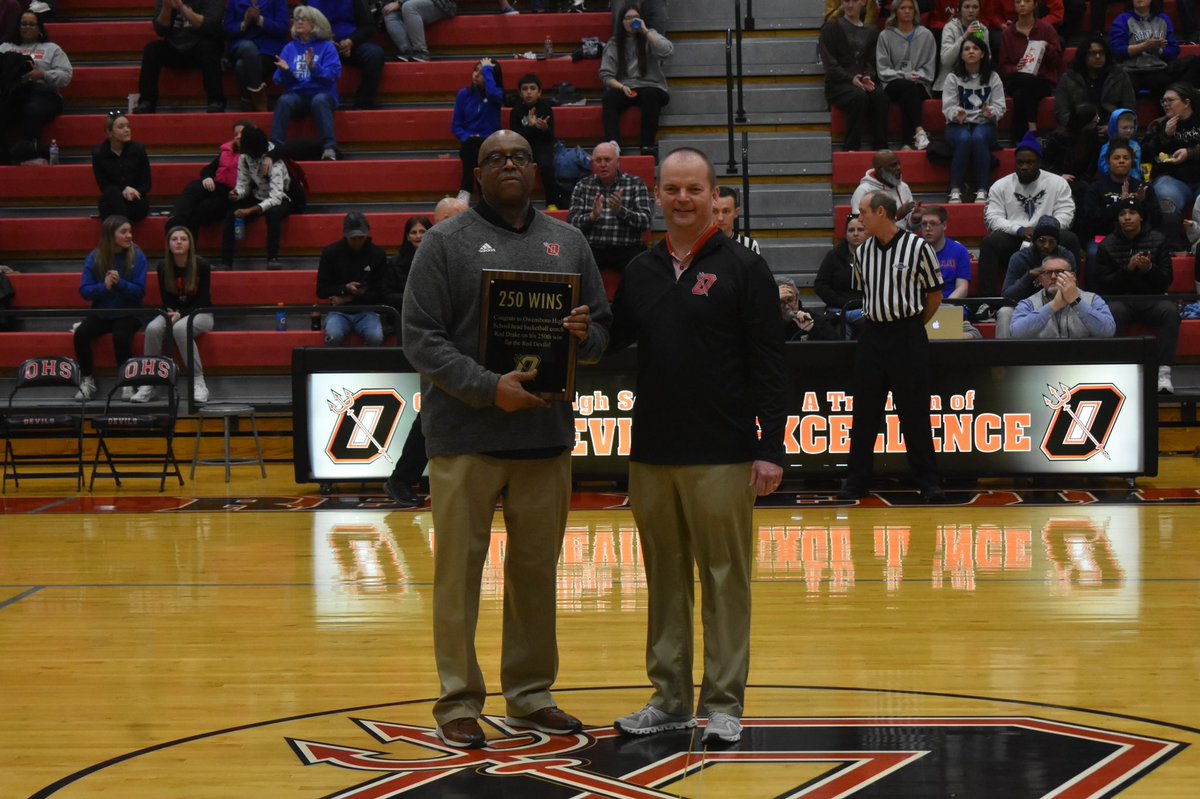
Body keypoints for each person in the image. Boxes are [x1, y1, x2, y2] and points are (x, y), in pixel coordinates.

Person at [401, 129, 610, 749]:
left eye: (520, 156)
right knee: (458, 575)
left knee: (536, 574)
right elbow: (421, 338)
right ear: (477, 173)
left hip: (544, 436)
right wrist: (490, 387)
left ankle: (530, 694)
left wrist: (584, 337)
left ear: (535, 169)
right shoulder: (444, 242)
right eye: (496, 159)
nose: (510, 165)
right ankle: (458, 700)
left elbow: (600, 329)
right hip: (466, 435)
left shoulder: (568, 240)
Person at [608, 147, 785, 746]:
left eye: (694, 189)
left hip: (724, 453)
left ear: (714, 197)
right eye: (672, 189)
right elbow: (608, 341)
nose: (683, 199)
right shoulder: (640, 271)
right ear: (656, 195)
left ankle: (725, 702)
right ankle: (670, 699)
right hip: (652, 453)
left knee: (725, 580)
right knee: (664, 581)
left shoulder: (744, 268)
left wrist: (771, 448)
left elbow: (769, 363)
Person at [838, 191, 946, 503]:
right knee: (865, 412)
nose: (859, 220)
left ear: (881, 212)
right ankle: (857, 481)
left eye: (863, 213)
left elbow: (934, 295)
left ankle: (928, 482)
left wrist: (911, 326)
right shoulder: (862, 252)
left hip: (907, 334)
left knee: (914, 412)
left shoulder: (918, 247)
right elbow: (865, 294)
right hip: (872, 336)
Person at [1092, 198, 1179, 393]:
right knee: (1113, 312)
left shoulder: (1158, 239)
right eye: (1122, 214)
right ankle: (1125, 372)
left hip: (1152, 299)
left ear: (1141, 216)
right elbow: (1104, 285)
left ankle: (1163, 374)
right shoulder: (1107, 245)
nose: (1127, 217)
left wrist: (1149, 268)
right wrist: (1128, 269)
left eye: (1132, 213)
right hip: (1122, 299)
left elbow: (1166, 280)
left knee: (1170, 311)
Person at [979, 132, 1077, 296]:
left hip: (1048, 236)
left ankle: (1072, 292)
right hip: (1015, 236)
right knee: (990, 242)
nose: (1024, 166)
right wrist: (1019, 229)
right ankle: (986, 301)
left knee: (1070, 239)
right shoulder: (1000, 185)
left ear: (1039, 162)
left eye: (1030, 162)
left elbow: (1067, 214)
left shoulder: (1057, 182)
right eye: (1020, 162)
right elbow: (992, 218)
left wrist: (1044, 229)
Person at [380, 214, 432, 507]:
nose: (418, 235)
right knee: (432, 413)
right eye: (414, 231)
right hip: (435, 345)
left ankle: (401, 479)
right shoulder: (404, 264)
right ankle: (401, 479)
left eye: (422, 230)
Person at [135, 226, 214, 403]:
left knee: (180, 329)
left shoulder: (202, 265)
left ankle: (198, 382)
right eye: (174, 239)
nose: (178, 242)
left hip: (202, 314)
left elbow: (202, 301)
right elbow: (167, 300)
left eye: (183, 239)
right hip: (174, 313)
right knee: (153, 328)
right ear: (168, 244)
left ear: (190, 244)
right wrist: (173, 312)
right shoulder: (163, 267)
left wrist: (181, 314)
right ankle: (149, 382)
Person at [73, 215, 148, 401]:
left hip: (130, 312)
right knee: (81, 334)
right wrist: (104, 286)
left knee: (121, 335)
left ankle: (127, 381)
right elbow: (84, 291)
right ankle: (88, 379)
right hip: (103, 312)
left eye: (130, 231)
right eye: (123, 232)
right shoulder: (95, 257)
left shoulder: (137, 255)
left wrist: (120, 283)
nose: (129, 235)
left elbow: (139, 292)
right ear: (110, 235)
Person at [566, 140, 652, 294]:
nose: (602, 164)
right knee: (572, 266)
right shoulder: (582, 186)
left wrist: (620, 211)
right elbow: (571, 223)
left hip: (627, 248)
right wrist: (592, 216)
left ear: (618, 162)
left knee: (642, 272)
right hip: (593, 248)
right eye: (598, 160)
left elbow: (645, 222)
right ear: (593, 163)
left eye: (607, 160)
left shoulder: (635, 184)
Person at [599, 1, 674, 156]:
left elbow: (667, 51)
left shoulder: (650, 36)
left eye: (636, 17)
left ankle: (647, 145)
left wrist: (645, 31)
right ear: (621, 22)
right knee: (609, 98)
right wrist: (621, 87)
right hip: (625, 87)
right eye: (628, 18)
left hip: (651, 86)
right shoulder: (614, 43)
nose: (632, 21)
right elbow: (606, 75)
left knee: (650, 95)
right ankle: (614, 146)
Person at [220, 125, 297, 270]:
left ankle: (272, 258)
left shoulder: (275, 164)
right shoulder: (245, 156)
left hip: (282, 197)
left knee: (273, 213)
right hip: (259, 194)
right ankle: (226, 263)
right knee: (231, 215)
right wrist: (237, 193)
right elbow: (243, 184)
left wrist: (250, 210)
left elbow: (276, 198)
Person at [272, 4, 342, 161]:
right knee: (284, 100)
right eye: (296, 18)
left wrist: (313, 68)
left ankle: (329, 148)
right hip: (297, 95)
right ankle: (275, 147)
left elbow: (333, 76)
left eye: (304, 19)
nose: (299, 22)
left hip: (322, 94)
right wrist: (286, 72)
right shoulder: (289, 48)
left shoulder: (327, 47)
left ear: (315, 24)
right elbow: (277, 80)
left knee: (319, 100)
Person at [942, 35, 1005, 204]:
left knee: (978, 138)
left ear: (983, 54)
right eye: (967, 49)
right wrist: (956, 114)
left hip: (985, 124)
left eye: (975, 49)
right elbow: (947, 107)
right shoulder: (953, 77)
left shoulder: (993, 77)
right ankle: (955, 189)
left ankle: (983, 189)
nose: (971, 52)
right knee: (964, 139)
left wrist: (990, 112)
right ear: (961, 55)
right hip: (958, 125)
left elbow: (1000, 106)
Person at [0, 11, 71, 161]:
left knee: (31, 109)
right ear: (18, 27)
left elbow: (66, 76)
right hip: (12, 93)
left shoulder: (52, 49)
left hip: (44, 94)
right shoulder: (5, 47)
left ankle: (29, 152)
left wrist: (43, 74)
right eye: (23, 24)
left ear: (39, 28)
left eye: (32, 24)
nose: (27, 27)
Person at [133, 0, 226, 114]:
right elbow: (160, 30)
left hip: (200, 45)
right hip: (175, 46)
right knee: (151, 50)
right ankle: (147, 101)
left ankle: (216, 100)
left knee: (210, 48)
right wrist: (166, 8)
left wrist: (182, 8)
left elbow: (210, 26)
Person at [166, 119, 252, 240]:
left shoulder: (254, 156)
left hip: (231, 196)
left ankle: (190, 248)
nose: (238, 137)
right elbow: (209, 169)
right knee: (194, 187)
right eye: (235, 134)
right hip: (216, 187)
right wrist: (207, 177)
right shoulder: (228, 151)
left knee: (200, 208)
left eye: (241, 134)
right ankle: (175, 220)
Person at [820, 0, 888, 152]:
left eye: (854, 1)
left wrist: (867, 77)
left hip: (860, 81)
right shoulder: (831, 28)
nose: (850, 5)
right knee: (858, 97)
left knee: (880, 96)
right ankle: (851, 147)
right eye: (846, 1)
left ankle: (881, 148)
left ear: (863, 3)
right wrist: (850, 79)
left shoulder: (871, 31)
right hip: (837, 85)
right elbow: (830, 65)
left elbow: (870, 62)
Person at [1083, 141, 1169, 256]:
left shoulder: (1143, 188)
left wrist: (1141, 203)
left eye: (1126, 158)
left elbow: (1157, 220)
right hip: (1104, 237)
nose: (1121, 161)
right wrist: (1121, 204)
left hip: (1139, 239)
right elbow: (1091, 220)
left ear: (1132, 162)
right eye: (1116, 158)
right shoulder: (1095, 188)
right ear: (1108, 162)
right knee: (1094, 252)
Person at [317, 211, 386, 346]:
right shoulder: (330, 253)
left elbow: (381, 292)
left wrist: (348, 298)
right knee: (333, 335)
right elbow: (321, 290)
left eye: (361, 237)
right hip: (339, 312)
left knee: (375, 336)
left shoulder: (377, 254)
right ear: (346, 235)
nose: (357, 242)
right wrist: (344, 288)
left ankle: (371, 367)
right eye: (353, 238)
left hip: (367, 310)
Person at [997, 0, 1062, 139]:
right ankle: (1032, 129)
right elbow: (1003, 67)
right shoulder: (1007, 34)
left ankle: (1019, 138)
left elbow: (1057, 61)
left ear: (1035, 4)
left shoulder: (1046, 29)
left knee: (1022, 93)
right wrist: (1016, 68)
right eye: (1018, 1)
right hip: (1016, 79)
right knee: (1024, 80)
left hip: (1042, 80)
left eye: (1026, 1)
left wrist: (1047, 48)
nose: (1022, 4)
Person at [876, 0, 936, 152]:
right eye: (903, 8)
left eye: (910, 8)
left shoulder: (926, 35)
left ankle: (907, 144)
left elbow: (929, 67)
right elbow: (882, 69)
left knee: (910, 92)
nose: (907, 11)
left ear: (915, 12)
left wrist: (917, 76)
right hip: (892, 82)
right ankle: (918, 131)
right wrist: (903, 75)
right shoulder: (885, 35)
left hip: (920, 83)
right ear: (895, 11)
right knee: (907, 87)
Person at [1009, 256, 1115, 338]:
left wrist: (1076, 301)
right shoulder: (1028, 303)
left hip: (1082, 361)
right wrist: (1054, 305)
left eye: (1059, 272)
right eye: (1048, 273)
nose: (1054, 277)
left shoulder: (1092, 299)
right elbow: (1016, 334)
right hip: (1043, 362)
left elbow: (1108, 332)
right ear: (1040, 279)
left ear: (1072, 277)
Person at [307, 0, 384, 110]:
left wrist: (351, 41)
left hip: (350, 45)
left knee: (375, 54)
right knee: (311, 55)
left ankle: (363, 103)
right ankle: (315, 102)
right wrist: (326, 42)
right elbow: (303, 26)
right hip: (321, 46)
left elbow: (368, 27)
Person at [382, 0, 516, 63]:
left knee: (409, 7)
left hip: (440, 3)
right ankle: (407, 51)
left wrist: (399, 3)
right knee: (388, 12)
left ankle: (421, 52)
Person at [1053, 35, 1135, 133]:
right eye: (1093, 53)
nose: (1098, 56)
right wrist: (1079, 127)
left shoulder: (1119, 75)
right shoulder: (1069, 78)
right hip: (1078, 129)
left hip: (1112, 128)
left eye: (1101, 53)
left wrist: (1113, 127)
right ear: (1084, 55)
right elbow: (1062, 111)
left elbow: (1128, 108)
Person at [1142, 83, 1200, 223]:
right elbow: (1145, 154)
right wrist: (1165, 136)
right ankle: (1170, 245)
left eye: (1170, 100)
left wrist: (1189, 153)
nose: (1165, 104)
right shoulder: (1159, 125)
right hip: (1173, 180)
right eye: (1163, 101)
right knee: (1167, 206)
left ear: (1186, 102)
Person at [452, 57, 504, 204]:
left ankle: (468, 190)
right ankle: (473, 192)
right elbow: (456, 126)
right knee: (472, 145)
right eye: (475, 70)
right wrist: (467, 136)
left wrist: (488, 70)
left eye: (481, 73)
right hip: (469, 142)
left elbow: (493, 94)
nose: (475, 75)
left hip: (490, 141)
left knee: (479, 147)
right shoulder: (464, 94)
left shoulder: (497, 94)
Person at [223, 0, 289, 111]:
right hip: (241, 45)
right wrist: (244, 23)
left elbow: (282, 28)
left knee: (241, 66)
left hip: (268, 50)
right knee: (249, 48)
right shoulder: (234, 1)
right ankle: (260, 101)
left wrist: (260, 20)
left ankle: (246, 100)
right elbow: (226, 30)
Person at [509, 73, 563, 210]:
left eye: (532, 88)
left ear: (539, 93)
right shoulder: (516, 110)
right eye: (525, 89)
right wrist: (530, 127)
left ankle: (552, 202)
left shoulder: (546, 108)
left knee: (547, 166)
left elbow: (551, 136)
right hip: (522, 147)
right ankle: (518, 202)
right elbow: (515, 136)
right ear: (520, 93)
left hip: (542, 146)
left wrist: (544, 128)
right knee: (517, 168)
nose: (528, 92)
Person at [1110, 0, 1178, 99]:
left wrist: (1159, 50)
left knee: (1165, 83)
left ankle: (1168, 114)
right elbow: (1117, 50)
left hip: (1157, 68)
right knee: (1126, 85)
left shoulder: (1164, 19)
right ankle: (1127, 114)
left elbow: (1174, 50)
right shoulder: (1122, 19)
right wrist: (1144, 46)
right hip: (1130, 69)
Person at [91, 111, 151, 224]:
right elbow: (104, 187)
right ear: (109, 132)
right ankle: (124, 229)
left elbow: (147, 184)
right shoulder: (99, 154)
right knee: (112, 194)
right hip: (112, 200)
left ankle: (120, 230)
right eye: (121, 127)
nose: (127, 130)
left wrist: (134, 191)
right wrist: (124, 189)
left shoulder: (139, 150)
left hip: (135, 200)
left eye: (128, 126)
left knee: (122, 206)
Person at [1000, 215, 1077, 301]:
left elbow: (1073, 291)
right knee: (1005, 311)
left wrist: (1051, 275)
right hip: (1024, 305)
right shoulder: (1020, 258)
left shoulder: (1066, 257)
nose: (1046, 246)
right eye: (1042, 240)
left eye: (1051, 242)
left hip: (1057, 303)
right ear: (1034, 241)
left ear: (1057, 243)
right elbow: (1006, 296)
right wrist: (1029, 275)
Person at [815, 212, 868, 338]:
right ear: (845, 234)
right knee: (839, 329)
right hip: (838, 308)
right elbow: (820, 285)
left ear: (868, 232)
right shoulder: (833, 256)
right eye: (851, 230)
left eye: (860, 229)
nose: (855, 233)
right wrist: (842, 302)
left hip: (865, 310)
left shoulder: (875, 257)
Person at [849, 150, 921, 232]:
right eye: (893, 165)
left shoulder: (904, 187)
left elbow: (909, 227)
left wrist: (914, 219)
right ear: (880, 170)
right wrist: (897, 216)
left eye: (898, 163)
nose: (898, 168)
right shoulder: (863, 191)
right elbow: (861, 227)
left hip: (904, 240)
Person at [920, 206, 972, 299]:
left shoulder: (959, 250)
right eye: (924, 224)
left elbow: (962, 287)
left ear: (944, 225)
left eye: (933, 223)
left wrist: (945, 307)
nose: (928, 228)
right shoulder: (915, 251)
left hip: (951, 305)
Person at [936, 0, 987, 93]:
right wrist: (965, 36)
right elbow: (946, 61)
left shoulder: (982, 29)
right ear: (960, 10)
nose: (971, 10)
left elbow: (987, 58)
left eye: (975, 7)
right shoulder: (949, 28)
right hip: (949, 83)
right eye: (967, 7)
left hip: (975, 83)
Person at [778, 277, 838, 341]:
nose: (787, 306)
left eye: (790, 300)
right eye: (781, 301)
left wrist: (812, 329)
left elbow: (837, 346)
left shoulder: (812, 320)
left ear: (797, 299)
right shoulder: (767, 322)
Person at [1096, 107, 1141, 180]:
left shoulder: (1136, 145)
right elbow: (1103, 169)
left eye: (1132, 127)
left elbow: (1138, 167)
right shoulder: (1107, 147)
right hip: (1113, 182)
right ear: (1114, 127)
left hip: (1134, 182)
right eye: (1124, 128)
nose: (1129, 130)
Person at [713, 186, 759, 253]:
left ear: (736, 213)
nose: (720, 218)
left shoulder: (750, 246)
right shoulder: (700, 246)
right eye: (715, 211)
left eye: (726, 211)